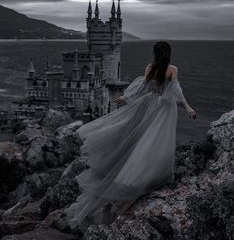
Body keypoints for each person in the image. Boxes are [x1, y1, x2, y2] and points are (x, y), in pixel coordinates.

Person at [64, 41, 197, 232]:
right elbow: (176, 92)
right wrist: (187, 107)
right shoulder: (172, 69)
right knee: (152, 143)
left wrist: (125, 98)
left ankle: (130, 178)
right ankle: (143, 178)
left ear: (155, 53)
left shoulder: (150, 68)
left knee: (139, 140)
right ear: (168, 53)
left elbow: (141, 87)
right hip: (162, 110)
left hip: (147, 105)